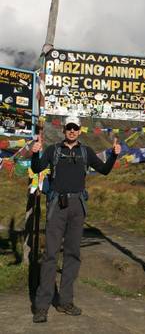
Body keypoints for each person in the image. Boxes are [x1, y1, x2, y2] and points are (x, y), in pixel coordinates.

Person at [30, 116, 121, 323]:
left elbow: (104, 171)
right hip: (57, 205)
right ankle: (42, 306)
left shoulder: (86, 152)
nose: (72, 131)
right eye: (69, 127)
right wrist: (35, 154)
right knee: (51, 255)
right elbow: (36, 169)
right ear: (64, 129)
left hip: (78, 207)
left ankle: (65, 302)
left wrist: (114, 156)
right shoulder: (52, 150)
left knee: (72, 254)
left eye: (75, 128)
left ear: (80, 131)